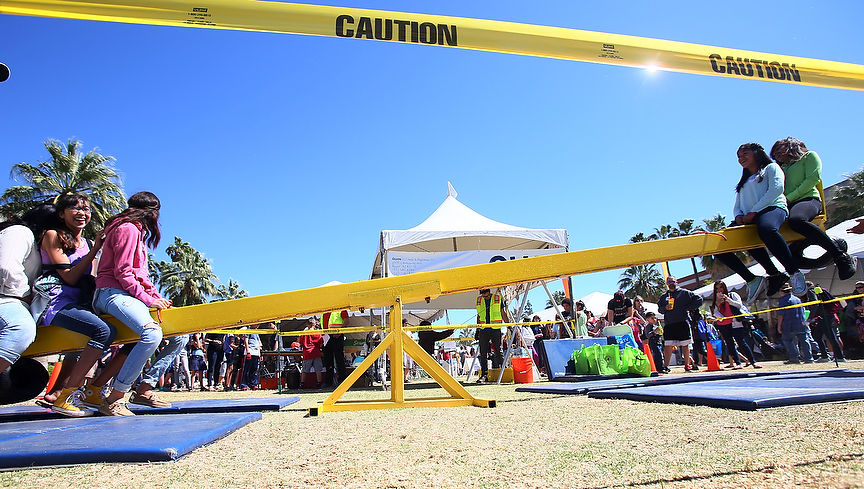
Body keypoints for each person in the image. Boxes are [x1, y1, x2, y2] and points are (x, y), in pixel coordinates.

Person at [92, 191, 172, 416]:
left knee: (180, 335)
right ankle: (116, 397)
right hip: (112, 293)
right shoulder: (127, 229)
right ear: (153, 212)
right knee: (152, 334)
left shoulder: (138, 232)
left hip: (129, 295)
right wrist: (148, 300)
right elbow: (123, 272)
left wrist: (156, 297)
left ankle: (144, 389)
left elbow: (141, 275)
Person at [37, 194, 117, 416]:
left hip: (79, 302)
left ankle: (67, 391)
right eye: (75, 208)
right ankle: (67, 395)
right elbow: (69, 278)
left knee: (111, 333)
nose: (82, 213)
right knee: (103, 330)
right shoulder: (52, 235)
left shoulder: (88, 242)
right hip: (56, 302)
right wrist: (94, 252)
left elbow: (89, 279)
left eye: (87, 209)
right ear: (61, 213)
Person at [714, 142, 807, 300]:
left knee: (766, 229)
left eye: (745, 154)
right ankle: (754, 278)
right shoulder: (744, 181)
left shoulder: (771, 168)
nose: (741, 158)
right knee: (719, 245)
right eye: (738, 156)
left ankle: (794, 272)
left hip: (772, 208)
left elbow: (776, 190)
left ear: (756, 153)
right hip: (751, 216)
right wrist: (738, 216)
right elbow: (738, 204)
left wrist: (754, 211)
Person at [770, 138, 856, 280]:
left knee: (796, 220)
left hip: (808, 199)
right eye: (775, 154)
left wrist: (789, 198)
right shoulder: (779, 168)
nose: (777, 155)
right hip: (786, 205)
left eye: (780, 150)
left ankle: (840, 256)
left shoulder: (809, 157)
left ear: (791, 147)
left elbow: (812, 180)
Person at [0, 206, 52, 382]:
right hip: (7, 298)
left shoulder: (37, 245)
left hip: (12, 299)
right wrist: (25, 295)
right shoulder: (20, 232)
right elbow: (7, 266)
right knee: (20, 329)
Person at [710, 281, 760, 369]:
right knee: (730, 344)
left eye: (721, 287)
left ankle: (753, 362)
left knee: (741, 343)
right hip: (724, 324)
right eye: (717, 288)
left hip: (735, 323)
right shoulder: (715, 300)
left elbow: (739, 305)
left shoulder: (732, 295)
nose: (719, 290)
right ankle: (738, 363)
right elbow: (715, 313)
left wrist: (728, 300)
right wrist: (718, 304)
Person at [657, 275, 703, 371]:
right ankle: (665, 366)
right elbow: (660, 309)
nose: (671, 284)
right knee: (668, 345)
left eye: (672, 281)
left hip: (682, 322)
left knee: (685, 344)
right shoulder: (664, 296)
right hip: (669, 323)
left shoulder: (685, 293)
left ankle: (687, 365)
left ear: (676, 282)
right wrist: (665, 308)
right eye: (669, 282)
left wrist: (688, 308)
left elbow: (699, 299)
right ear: (667, 284)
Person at [804, 281, 846, 363]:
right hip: (825, 316)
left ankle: (839, 356)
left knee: (831, 337)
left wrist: (810, 318)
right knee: (818, 336)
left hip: (825, 317)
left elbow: (815, 305)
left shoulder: (811, 292)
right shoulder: (817, 290)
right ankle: (824, 356)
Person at [475, 288, 509, 382]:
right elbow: (478, 316)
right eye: (482, 295)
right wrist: (477, 330)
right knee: (483, 352)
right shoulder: (479, 300)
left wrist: (508, 325)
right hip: (483, 329)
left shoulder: (497, 298)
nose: (484, 297)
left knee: (498, 350)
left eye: (486, 295)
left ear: (489, 293)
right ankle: (484, 375)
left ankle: (504, 370)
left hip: (495, 329)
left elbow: (503, 313)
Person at [777, 283, 813, 364]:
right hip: (801, 323)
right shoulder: (797, 299)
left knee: (788, 340)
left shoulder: (783, 300)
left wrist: (779, 326)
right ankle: (809, 358)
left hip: (789, 324)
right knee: (804, 341)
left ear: (782, 291)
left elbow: (781, 314)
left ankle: (794, 358)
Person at [322, 310, 348, 387]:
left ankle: (342, 380)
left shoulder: (341, 308)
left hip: (337, 336)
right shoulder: (323, 309)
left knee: (339, 359)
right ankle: (329, 382)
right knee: (328, 360)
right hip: (326, 336)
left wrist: (339, 332)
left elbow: (347, 321)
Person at [299, 317, 324, 388]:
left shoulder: (304, 333)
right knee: (318, 369)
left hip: (307, 353)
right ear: (314, 324)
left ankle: (302, 384)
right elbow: (321, 343)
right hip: (316, 352)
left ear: (307, 324)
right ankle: (319, 383)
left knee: (304, 370)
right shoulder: (317, 333)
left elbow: (300, 342)